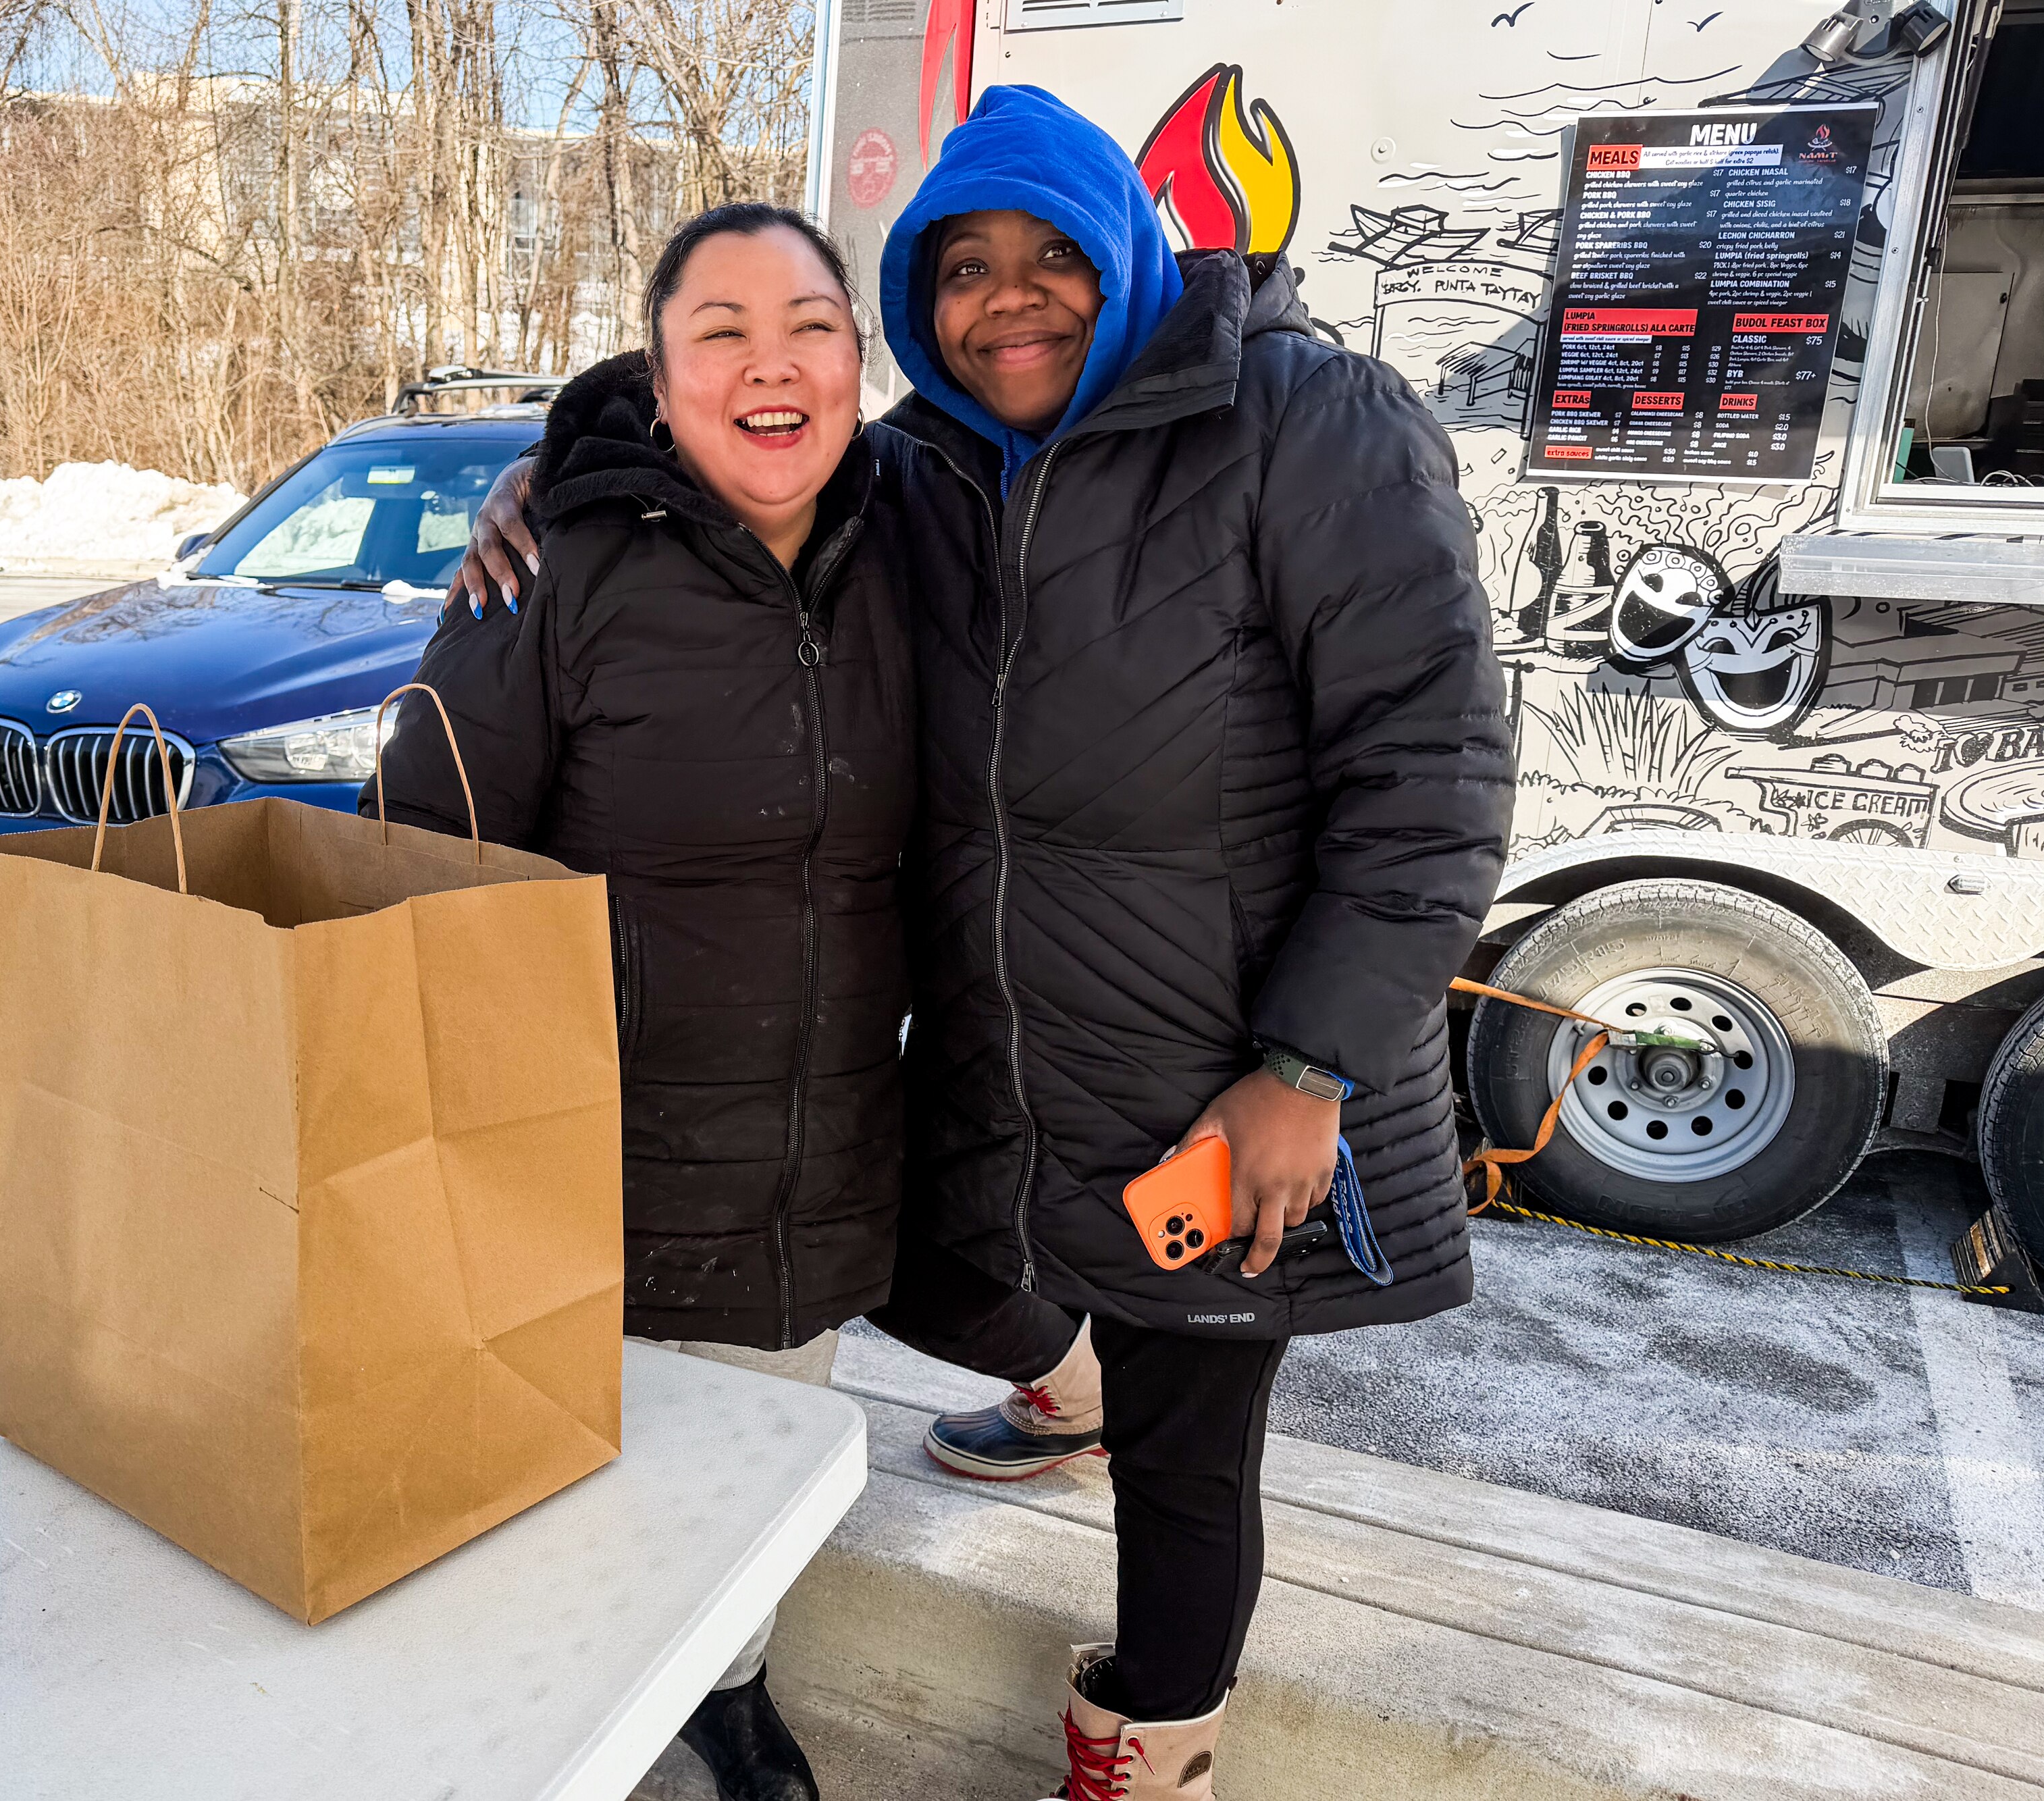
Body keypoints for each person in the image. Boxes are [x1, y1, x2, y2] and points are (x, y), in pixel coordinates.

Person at [454, 87, 1513, 1801]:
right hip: (1007, 1045)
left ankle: (1149, 1756)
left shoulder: (1308, 424)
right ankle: (1062, 1385)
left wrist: (1306, 1066)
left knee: (1189, 1457)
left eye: (1046, 258)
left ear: (1123, 251)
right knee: (927, 1265)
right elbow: (737, 436)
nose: (1004, 299)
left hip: (1221, 1061)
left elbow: (1429, 772)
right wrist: (558, 468)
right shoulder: (929, 466)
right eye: (960, 268)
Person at [369, 203, 928, 1801]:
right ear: (657, 366)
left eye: (810, 323)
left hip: (812, 1154)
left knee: (747, 1493)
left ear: (854, 353)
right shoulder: (551, 562)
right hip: (579, 1167)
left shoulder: (918, 542)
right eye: (721, 330)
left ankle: (728, 1690)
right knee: (550, 1519)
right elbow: (423, 865)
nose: (772, 364)